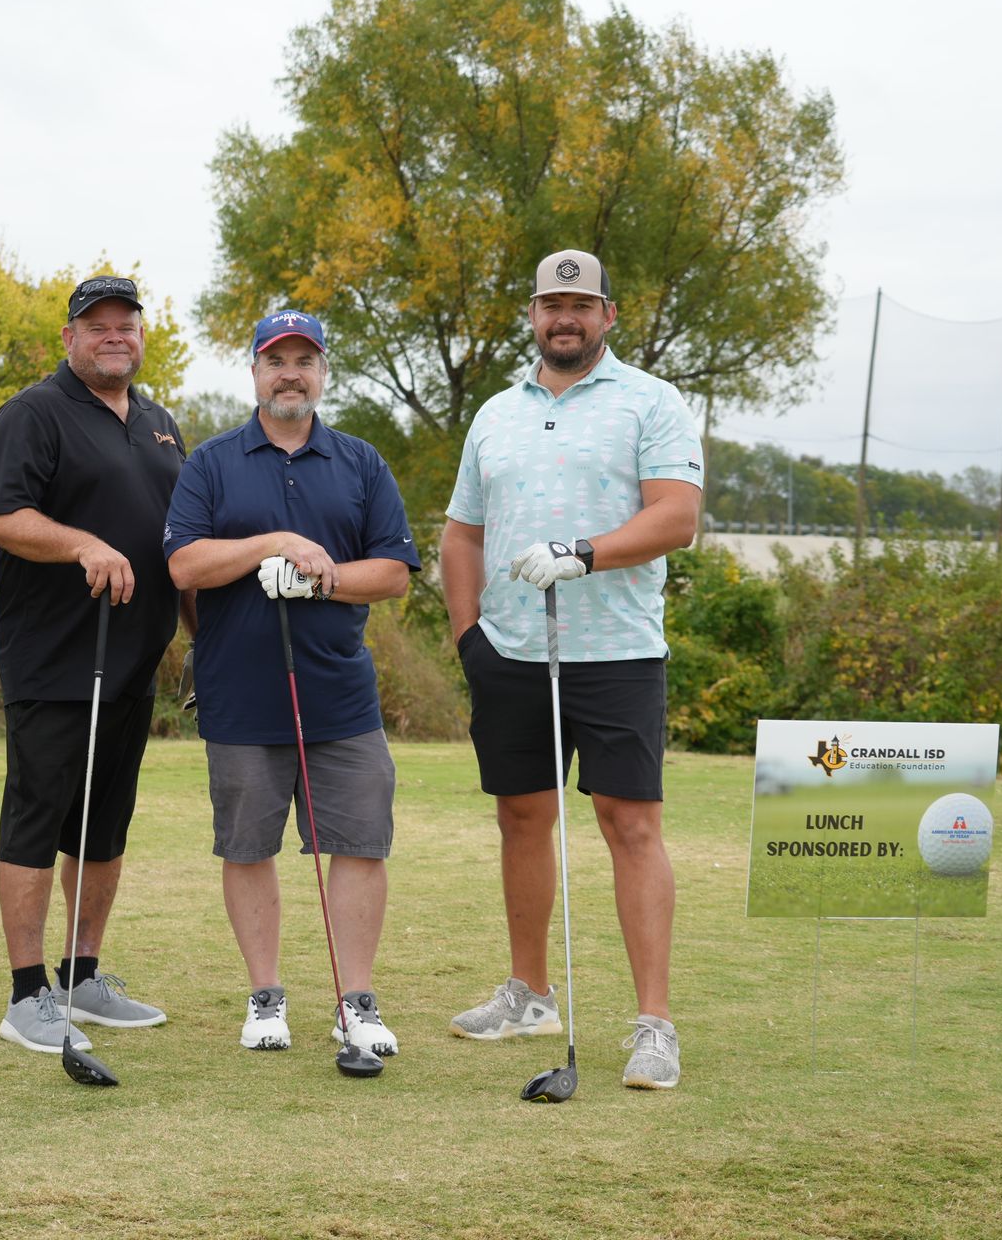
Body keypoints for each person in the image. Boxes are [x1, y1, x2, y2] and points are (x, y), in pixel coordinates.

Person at [441, 250, 703, 1089]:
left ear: (608, 316)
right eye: (552, 303)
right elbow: (461, 534)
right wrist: (468, 638)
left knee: (631, 826)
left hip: (617, 651)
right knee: (522, 818)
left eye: (581, 304)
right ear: (533, 315)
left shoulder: (650, 402)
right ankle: (530, 993)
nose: (566, 317)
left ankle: (654, 1024)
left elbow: (676, 517)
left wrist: (584, 553)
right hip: (513, 652)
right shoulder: (495, 413)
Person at [165, 310, 420, 1056]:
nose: (291, 373)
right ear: (254, 372)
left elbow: (394, 574)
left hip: (340, 695)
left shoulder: (361, 462)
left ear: (323, 373)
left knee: (361, 842)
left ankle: (357, 1002)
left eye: (305, 360)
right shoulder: (211, 462)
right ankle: (266, 996)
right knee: (248, 848)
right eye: (277, 360)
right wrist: (272, 544)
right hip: (239, 691)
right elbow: (184, 566)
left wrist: (322, 580)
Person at [0, 275, 191, 1055]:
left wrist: (201, 638)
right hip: (55, 660)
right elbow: (0, 515)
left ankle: (82, 974)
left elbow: (183, 540)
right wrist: (83, 544)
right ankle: (27, 992)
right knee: (39, 818)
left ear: (140, 337)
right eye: (96, 326)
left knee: (106, 824)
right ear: (68, 338)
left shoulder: (162, 424)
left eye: (125, 326)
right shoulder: (33, 413)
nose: (113, 337)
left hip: (134, 661)